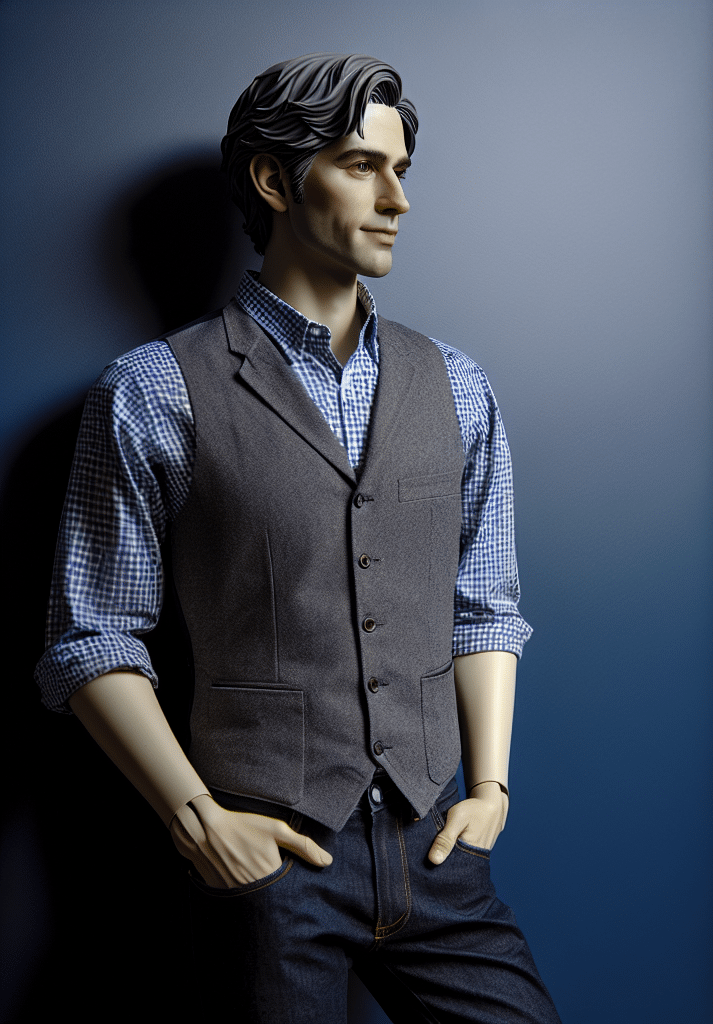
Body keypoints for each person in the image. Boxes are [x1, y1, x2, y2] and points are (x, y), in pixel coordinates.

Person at [35, 52, 560, 1023]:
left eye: (402, 169)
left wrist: (488, 789)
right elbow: (92, 636)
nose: (397, 198)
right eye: (362, 164)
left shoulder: (458, 385)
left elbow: (485, 605)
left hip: (436, 845)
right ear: (276, 181)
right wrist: (200, 823)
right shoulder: (153, 388)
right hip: (267, 862)